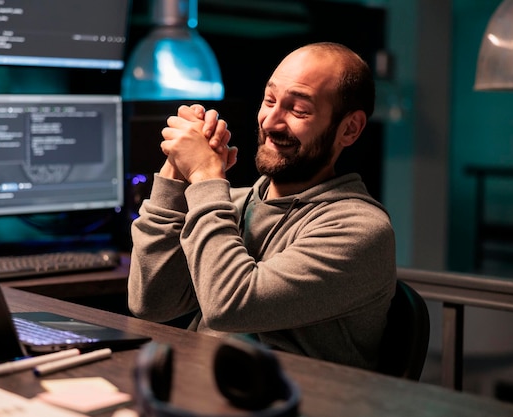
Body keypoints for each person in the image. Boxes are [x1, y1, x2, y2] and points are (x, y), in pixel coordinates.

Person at [127, 42, 396, 371]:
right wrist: (176, 172)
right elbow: (151, 302)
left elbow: (231, 307)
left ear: (349, 129)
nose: (271, 121)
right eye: (269, 100)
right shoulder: (230, 206)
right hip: (199, 388)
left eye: (298, 110)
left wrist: (206, 178)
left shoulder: (360, 230)